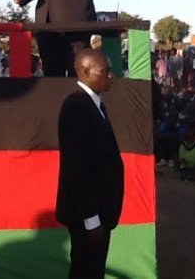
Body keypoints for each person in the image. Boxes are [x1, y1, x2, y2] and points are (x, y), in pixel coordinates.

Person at [55, 49, 124, 278]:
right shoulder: (76, 107)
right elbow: (78, 169)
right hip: (88, 215)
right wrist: (91, 219)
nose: (111, 75)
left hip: (98, 210)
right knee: (86, 271)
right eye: (105, 70)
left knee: (93, 271)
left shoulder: (95, 104)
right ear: (85, 71)